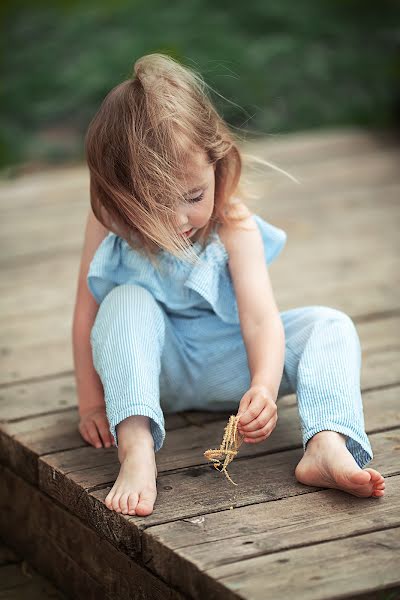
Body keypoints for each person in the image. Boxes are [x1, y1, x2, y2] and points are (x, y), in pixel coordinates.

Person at [72, 53, 385, 517]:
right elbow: (87, 314)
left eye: (194, 197)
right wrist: (91, 402)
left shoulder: (233, 223)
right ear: (118, 196)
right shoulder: (110, 223)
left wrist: (262, 384)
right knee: (125, 300)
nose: (179, 220)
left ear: (217, 164)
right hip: (150, 371)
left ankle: (326, 441)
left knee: (329, 325)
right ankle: (135, 447)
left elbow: (259, 318)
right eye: (154, 207)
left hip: (229, 364)